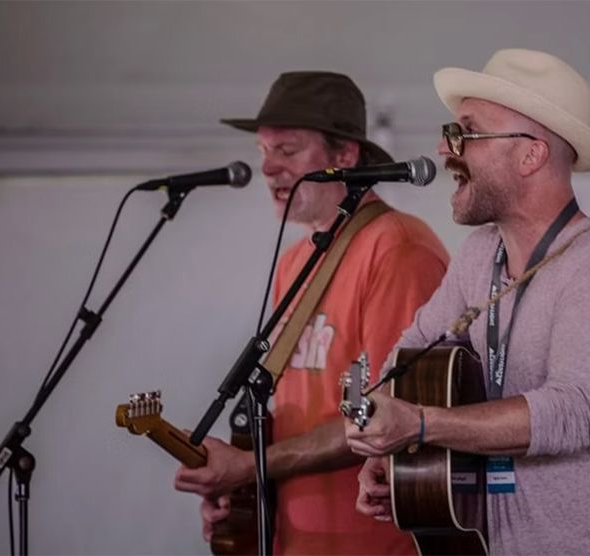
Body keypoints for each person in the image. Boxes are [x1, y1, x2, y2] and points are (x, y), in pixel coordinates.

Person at [345, 49, 590, 555]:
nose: (443, 147)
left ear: (530, 156)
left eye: (466, 132)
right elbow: (411, 352)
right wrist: (390, 452)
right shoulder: (480, 254)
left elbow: (571, 414)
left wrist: (420, 425)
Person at [174, 71, 448, 555]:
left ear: (345, 156)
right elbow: (294, 411)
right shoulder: (294, 262)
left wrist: (249, 467)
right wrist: (241, 490)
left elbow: (387, 415)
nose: (268, 168)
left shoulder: (398, 248)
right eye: (264, 151)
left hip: (374, 544)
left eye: (287, 150)